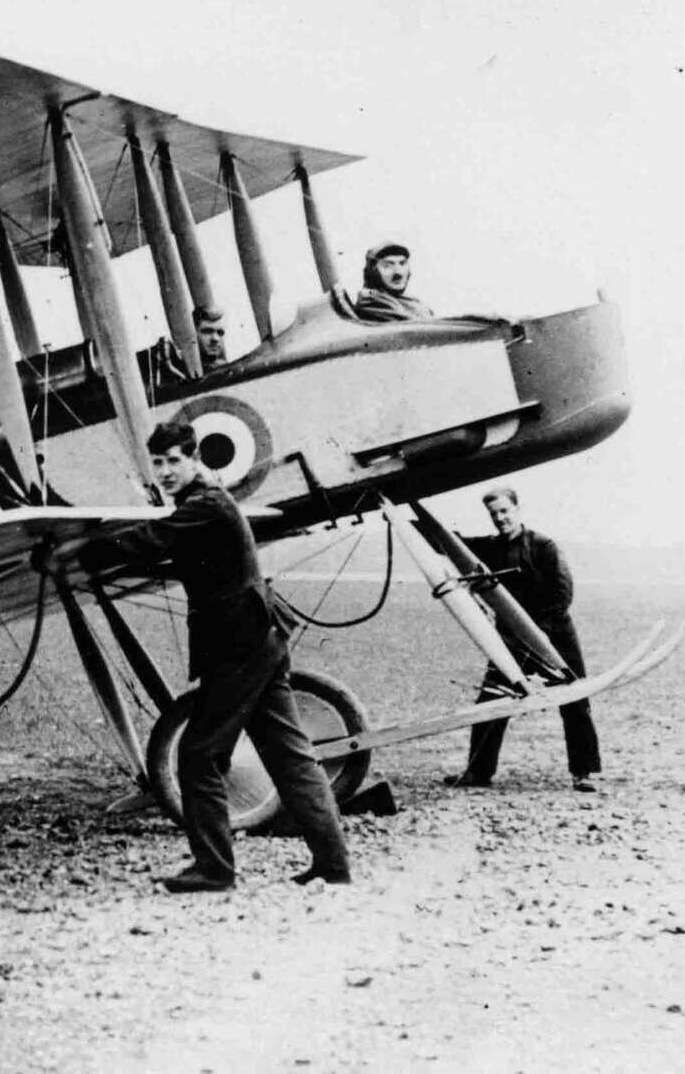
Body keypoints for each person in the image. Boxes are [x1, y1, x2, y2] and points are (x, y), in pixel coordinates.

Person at [79, 422, 352, 893]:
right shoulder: (203, 501)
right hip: (258, 638)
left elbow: (149, 540)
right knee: (289, 756)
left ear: (193, 459)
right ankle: (333, 864)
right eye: (158, 463)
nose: (164, 472)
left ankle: (214, 869)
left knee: (199, 754)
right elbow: (168, 549)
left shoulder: (203, 505)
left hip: (238, 646)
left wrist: (84, 551)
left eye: (172, 462)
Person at [446, 487, 602, 792]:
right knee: (491, 700)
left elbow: (562, 594)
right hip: (512, 640)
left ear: (517, 509)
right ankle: (478, 772)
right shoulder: (491, 547)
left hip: (554, 636)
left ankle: (583, 773)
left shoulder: (544, 545)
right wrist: (408, 514)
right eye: (494, 514)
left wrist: (536, 631)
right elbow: (451, 542)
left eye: (504, 511)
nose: (500, 518)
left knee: (574, 700)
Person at [346, 242, 432, 323]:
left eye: (402, 264)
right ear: (373, 271)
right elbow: (417, 329)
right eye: (387, 266)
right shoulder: (371, 300)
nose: (398, 273)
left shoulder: (411, 300)